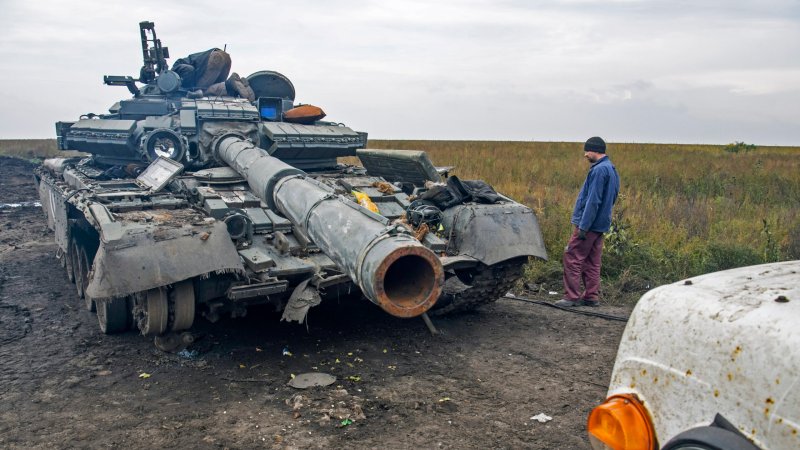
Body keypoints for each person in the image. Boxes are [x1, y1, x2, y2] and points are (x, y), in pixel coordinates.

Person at [555, 136, 620, 307]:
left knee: (572, 256)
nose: (585, 154)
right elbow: (612, 197)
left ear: (595, 150)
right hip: (600, 225)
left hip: (589, 225)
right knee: (592, 261)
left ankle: (571, 296)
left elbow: (593, 200)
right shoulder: (611, 169)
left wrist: (583, 226)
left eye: (587, 150)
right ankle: (591, 296)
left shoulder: (599, 170)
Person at [171, 48, 255, 101]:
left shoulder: (174, 71)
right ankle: (236, 83)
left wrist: (189, 89)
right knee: (214, 91)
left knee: (200, 91)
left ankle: (231, 83)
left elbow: (188, 70)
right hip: (224, 57)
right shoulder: (181, 65)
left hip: (215, 58)